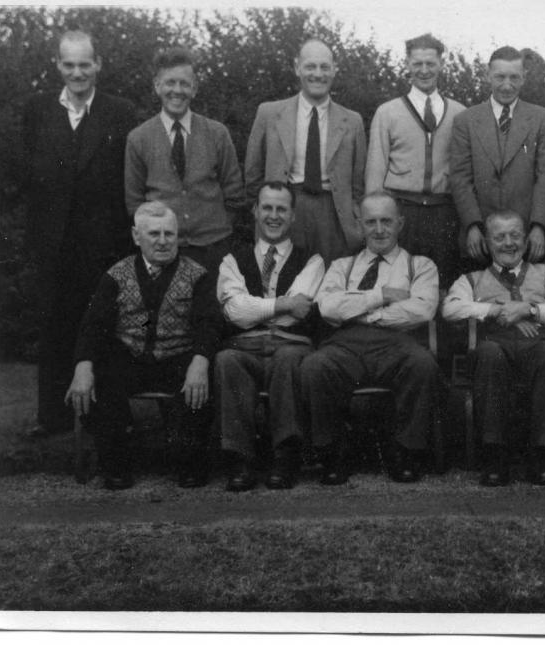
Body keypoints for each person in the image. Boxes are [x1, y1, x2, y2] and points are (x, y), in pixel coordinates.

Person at [20, 30, 138, 437]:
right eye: (69, 64)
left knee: (98, 327)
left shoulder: (120, 111)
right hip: (52, 243)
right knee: (53, 327)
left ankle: (97, 419)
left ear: (98, 64)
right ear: (57, 65)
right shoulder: (37, 109)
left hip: (101, 242)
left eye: (84, 64)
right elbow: (27, 177)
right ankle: (50, 419)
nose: (77, 72)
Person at [65, 202, 220, 490]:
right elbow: (94, 325)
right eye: (154, 234)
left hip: (178, 358)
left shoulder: (197, 275)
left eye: (169, 234)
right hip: (131, 358)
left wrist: (200, 362)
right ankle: (116, 463)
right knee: (99, 373)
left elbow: (209, 324)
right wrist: (83, 367)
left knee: (201, 377)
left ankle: (190, 462)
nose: (163, 241)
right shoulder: (117, 274)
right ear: (137, 236)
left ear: (178, 236)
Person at [300, 192, 439, 484]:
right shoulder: (341, 266)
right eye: (371, 222)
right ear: (360, 225)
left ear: (400, 223)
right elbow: (327, 307)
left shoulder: (420, 266)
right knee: (315, 366)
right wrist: (381, 296)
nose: (379, 230)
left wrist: (362, 311)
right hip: (345, 344)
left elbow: (421, 310)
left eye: (386, 221)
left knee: (422, 364)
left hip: (396, 343)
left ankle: (405, 452)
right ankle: (333, 454)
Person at [442, 210, 545, 486]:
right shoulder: (471, 279)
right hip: (497, 350)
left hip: (539, 348)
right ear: (488, 244)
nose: (508, 243)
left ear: (526, 241)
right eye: (499, 237)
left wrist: (528, 309)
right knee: (488, 353)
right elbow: (451, 308)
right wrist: (497, 310)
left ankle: (544, 454)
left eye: (515, 235)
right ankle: (494, 455)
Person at [214, 182, 327, 491]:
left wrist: (257, 308)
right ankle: (240, 459)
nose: (273, 216)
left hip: (291, 345)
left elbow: (301, 308)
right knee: (226, 360)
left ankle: (285, 457)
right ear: (255, 211)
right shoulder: (232, 260)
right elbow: (234, 311)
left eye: (281, 209)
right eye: (267, 208)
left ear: (292, 216)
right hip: (244, 347)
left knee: (288, 359)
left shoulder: (312, 260)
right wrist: (281, 304)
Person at [125, 46, 245, 274]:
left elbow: (235, 194)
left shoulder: (217, 133)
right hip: (163, 253)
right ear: (157, 86)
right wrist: (157, 237)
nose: (177, 90)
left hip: (214, 251)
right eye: (170, 83)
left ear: (195, 88)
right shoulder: (138, 138)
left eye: (184, 83)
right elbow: (134, 203)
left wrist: (214, 230)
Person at [245, 39, 366, 262]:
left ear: (334, 70)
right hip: (285, 209)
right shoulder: (269, 114)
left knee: (331, 286)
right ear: (297, 67)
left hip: (333, 215)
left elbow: (358, 184)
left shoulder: (352, 121)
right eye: (310, 66)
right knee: (283, 282)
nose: (318, 74)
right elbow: (253, 174)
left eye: (324, 67)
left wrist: (355, 221)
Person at [366, 33, 467, 285]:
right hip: (403, 212)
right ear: (408, 64)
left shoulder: (460, 113)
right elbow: (376, 169)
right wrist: (375, 216)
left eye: (430, 63)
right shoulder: (387, 112)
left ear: (441, 64)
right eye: (417, 63)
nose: (424, 70)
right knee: (400, 284)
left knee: (443, 286)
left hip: (444, 213)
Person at [449, 46, 545, 264]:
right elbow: (460, 178)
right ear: (487, 75)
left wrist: (539, 226)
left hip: (527, 237)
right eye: (500, 77)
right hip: (480, 239)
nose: (507, 85)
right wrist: (473, 225)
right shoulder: (465, 121)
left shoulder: (543, 119)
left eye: (514, 77)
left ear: (524, 78)